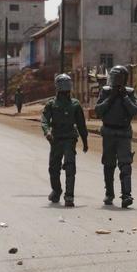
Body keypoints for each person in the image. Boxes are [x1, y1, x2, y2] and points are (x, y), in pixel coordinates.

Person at [95, 65, 137, 207]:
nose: (116, 81)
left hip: (124, 133)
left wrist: (124, 96)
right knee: (108, 165)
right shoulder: (106, 92)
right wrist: (112, 98)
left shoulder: (130, 93)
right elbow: (99, 111)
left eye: (119, 78)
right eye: (115, 77)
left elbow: (134, 111)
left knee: (125, 164)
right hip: (108, 132)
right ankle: (109, 194)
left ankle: (126, 195)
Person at [41, 74, 88, 207]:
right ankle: (56, 190)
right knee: (53, 168)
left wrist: (85, 141)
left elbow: (81, 125)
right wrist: (47, 132)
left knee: (70, 166)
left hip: (69, 139)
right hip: (56, 139)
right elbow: (44, 120)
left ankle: (69, 196)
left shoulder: (75, 104)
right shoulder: (51, 104)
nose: (65, 90)